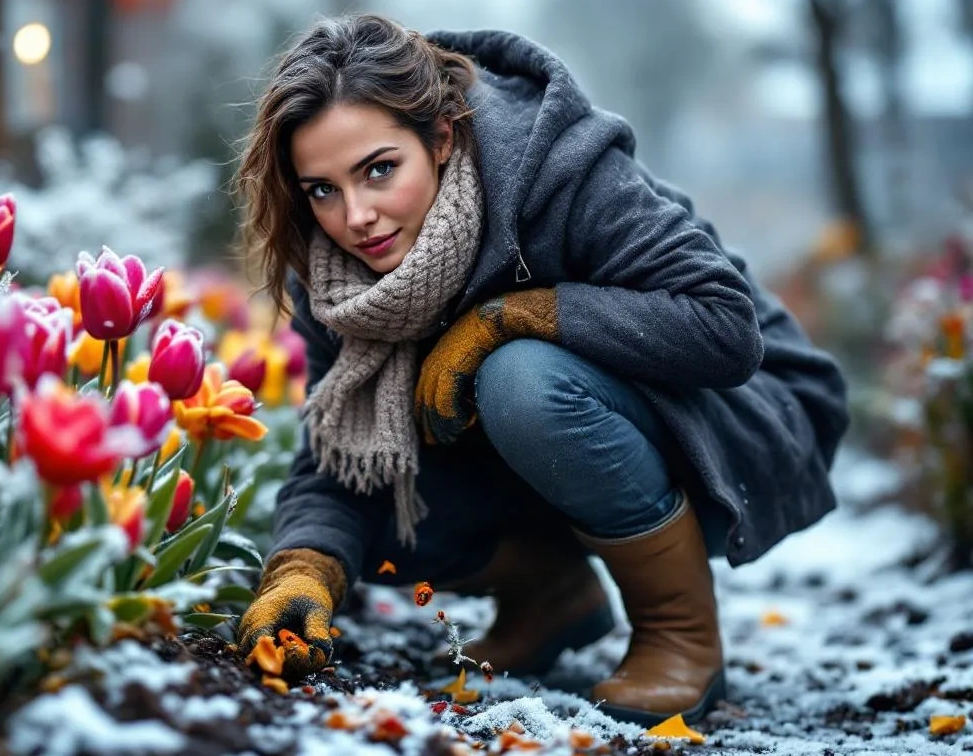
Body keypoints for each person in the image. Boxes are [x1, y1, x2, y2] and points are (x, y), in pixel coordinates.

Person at [231, 13, 848, 726]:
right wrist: (302, 571)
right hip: (571, 445)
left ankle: (678, 637)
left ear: (441, 135)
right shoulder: (340, 279)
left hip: (739, 413)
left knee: (521, 380)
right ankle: (552, 597)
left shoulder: (559, 167)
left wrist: (513, 316)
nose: (357, 216)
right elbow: (335, 454)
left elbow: (724, 328)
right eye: (322, 189)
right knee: (378, 477)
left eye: (379, 170)